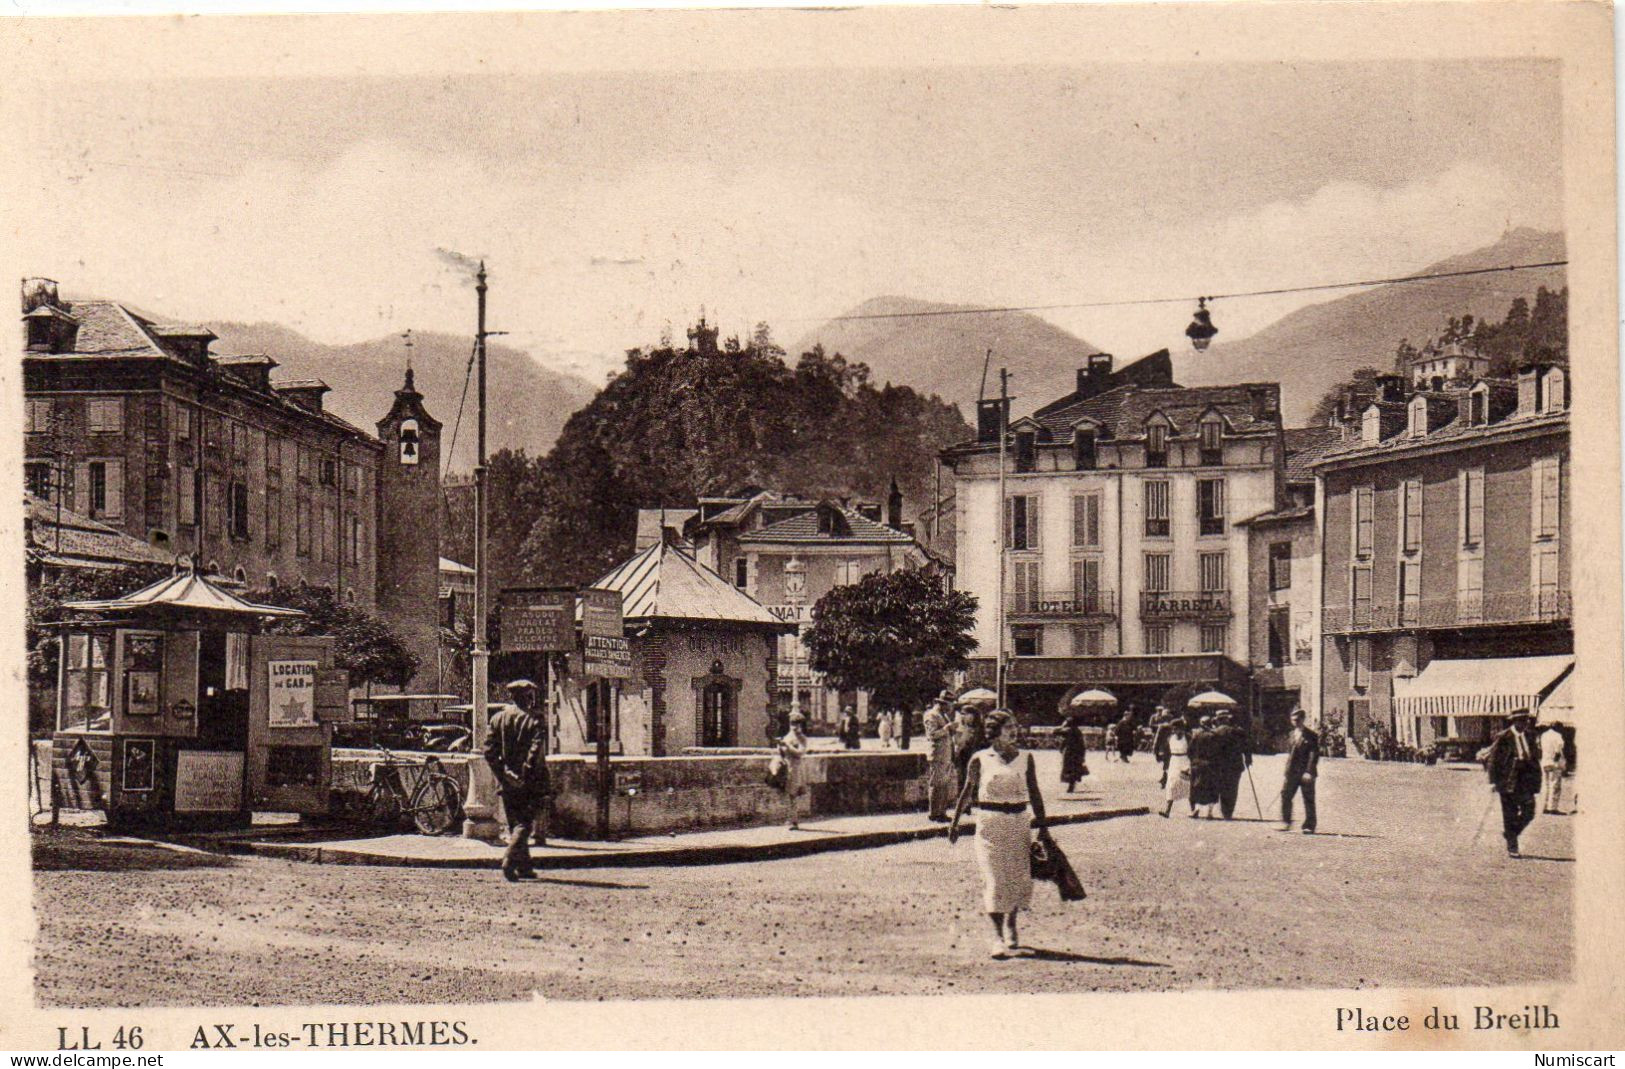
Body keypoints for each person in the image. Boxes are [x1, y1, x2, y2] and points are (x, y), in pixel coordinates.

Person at [949, 709, 1050, 959]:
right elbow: (967, 791)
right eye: (1008, 727)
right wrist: (954, 822)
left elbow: (1035, 792)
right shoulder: (980, 758)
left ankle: (1011, 925)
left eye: (1015, 726)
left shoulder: (1026, 758)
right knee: (994, 879)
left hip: (1018, 824)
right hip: (989, 825)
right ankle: (996, 937)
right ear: (995, 732)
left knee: (1017, 878)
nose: (1014, 731)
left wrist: (1043, 826)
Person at [483, 679, 549, 881]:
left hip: (506, 781)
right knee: (525, 824)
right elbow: (534, 752)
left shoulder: (498, 718)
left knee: (515, 824)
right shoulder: (535, 720)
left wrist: (505, 774)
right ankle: (509, 861)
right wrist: (524, 775)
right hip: (530, 782)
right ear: (529, 697)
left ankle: (525, 867)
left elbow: (489, 751)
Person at [1487, 708, 1542, 856]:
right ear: (1514, 721)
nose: (1524, 723)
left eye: (1526, 720)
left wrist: (1536, 780)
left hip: (1526, 780)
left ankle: (1511, 833)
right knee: (1509, 814)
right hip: (1508, 779)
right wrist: (1493, 781)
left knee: (1529, 812)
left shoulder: (1531, 736)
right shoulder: (1504, 737)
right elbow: (1493, 760)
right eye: (1521, 720)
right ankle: (1512, 846)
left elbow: (1535, 758)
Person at [1280, 708, 1319, 834]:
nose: (1294, 722)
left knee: (1308, 798)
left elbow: (1314, 755)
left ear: (1303, 719)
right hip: (1292, 772)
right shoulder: (1291, 734)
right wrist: (1287, 770)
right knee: (1285, 795)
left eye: (1297, 719)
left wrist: (1309, 771)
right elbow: (1291, 754)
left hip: (1305, 773)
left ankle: (1309, 825)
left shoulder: (1311, 736)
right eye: (1292, 719)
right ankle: (1286, 822)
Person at [1209, 710, 1252, 819]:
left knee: (1220, 786)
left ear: (1218, 720)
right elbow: (1246, 747)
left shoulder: (1214, 732)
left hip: (1218, 765)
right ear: (1227, 719)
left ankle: (1222, 810)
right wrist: (1248, 759)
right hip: (1235, 765)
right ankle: (1228, 812)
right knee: (1232, 788)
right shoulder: (1238, 731)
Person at [923, 693, 957, 821]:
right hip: (937, 754)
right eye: (949, 704)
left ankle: (942, 812)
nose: (951, 707)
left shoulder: (944, 715)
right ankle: (933, 813)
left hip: (946, 754)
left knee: (944, 785)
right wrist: (947, 728)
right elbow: (931, 734)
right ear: (942, 704)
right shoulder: (931, 715)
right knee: (936, 784)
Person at [779, 711, 810, 829]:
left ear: (801, 725)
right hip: (786, 766)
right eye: (792, 724)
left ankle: (794, 821)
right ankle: (790, 818)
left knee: (792, 794)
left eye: (796, 724)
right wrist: (780, 747)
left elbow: (800, 753)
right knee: (786, 794)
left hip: (795, 768)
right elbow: (783, 752)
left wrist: (788, 747)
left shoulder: (802, 738)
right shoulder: (788, 736)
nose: (794, 727)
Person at [1187, 714, 1220, 819]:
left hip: (1197, 764)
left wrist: (1193, 761)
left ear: (1201, 724)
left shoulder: (1196, 735)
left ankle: (1196, 809)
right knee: (1212, 788)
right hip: (1211, 765)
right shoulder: (1214, 736)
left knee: (1196, 787)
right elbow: (1219, 751)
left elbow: (1189, 750)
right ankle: (1209, 812)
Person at [1159, 715, 1192, 818]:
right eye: (1173, 728)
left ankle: (1193, 809)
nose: (1174, 730)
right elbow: (1167, 752)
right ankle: (1167, 811)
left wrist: (1190, 765)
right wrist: (1165, 765)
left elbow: (1193, 751)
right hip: (1174, 762)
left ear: (1181, 728)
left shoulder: (1188, 737)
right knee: (1171, 785)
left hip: (1185, 761)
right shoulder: (1170, 738)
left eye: (1176, 728)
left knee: (1188, 785)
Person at [951, 704, 986, 791]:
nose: (964, 716)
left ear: (973, 715)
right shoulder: (962, 727)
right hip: (964, 755)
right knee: (963, 776)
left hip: (975, 755)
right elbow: (957, 741)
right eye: (962, 714)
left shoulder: (980, 728)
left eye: (966, 714)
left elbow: (981, 743)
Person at [1540, 721, 1568, 815]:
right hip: (1554, 763)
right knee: (1555, 785)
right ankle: (1553, 808)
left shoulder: (1544, 735)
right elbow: (1558, 751)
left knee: (1546, 785)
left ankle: (1544, 806)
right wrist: (1556, 762)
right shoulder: (1557, 736)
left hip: (1545, 761)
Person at [1059, 712, 1089, 793]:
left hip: (1069, 752)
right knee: (1075, 769)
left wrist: (1063, 725)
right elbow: (1082, 744)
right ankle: (1071, 784)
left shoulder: (1069, 730)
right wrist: (1083, 755)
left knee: (1069, 768)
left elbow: (1055, 731)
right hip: (1077, 752)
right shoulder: (1077, 731)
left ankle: (1071, 786)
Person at [1150, 706, 1174, 788]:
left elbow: (1157, 739)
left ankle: (1165, 779)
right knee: (1168, 764)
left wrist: (1155, 750)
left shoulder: (1162, 727)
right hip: (1171, 748)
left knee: (1166, 764)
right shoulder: (1173, 726)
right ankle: (1165, 779)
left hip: (1165, 748)